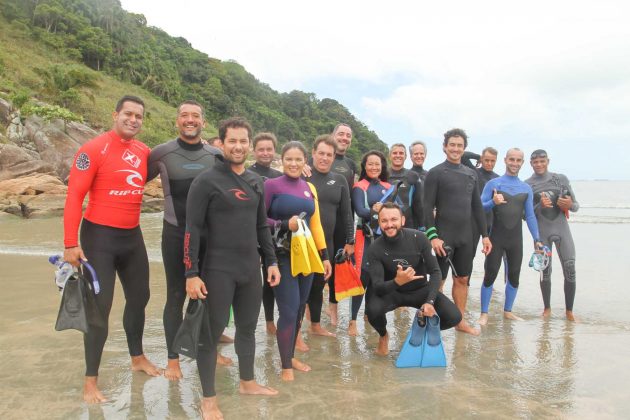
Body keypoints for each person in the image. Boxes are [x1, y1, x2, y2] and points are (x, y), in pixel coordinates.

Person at [63, 95, 160, 403]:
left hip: (132, 237)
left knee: (140, 297)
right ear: (115, 114)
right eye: (128, 114)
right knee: (100, 308)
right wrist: (69, 243)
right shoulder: (93, 149)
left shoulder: (144, 152)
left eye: (139, 116)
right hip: (99, 239)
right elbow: (75, 196)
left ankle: (137, 357)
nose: (133, 120)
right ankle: (90, 381)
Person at [184, 117, 280, 419]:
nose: (238, 146)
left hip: (250, 268)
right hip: (217, 269)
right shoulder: (206, 181)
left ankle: (247, 382)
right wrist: (191, 273)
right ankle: (209, 399)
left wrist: (272, 261)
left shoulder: (255, 181)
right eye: (232, 141)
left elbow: (261, 226)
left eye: (243, 141)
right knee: (211, 335)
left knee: (248, 329)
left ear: (249, 145)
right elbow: (192, 230)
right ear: (221, 143)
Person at [148, 100, 231, 381]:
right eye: (184, 115)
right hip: (175, 233)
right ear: (177, 121)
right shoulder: (161, 153)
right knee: (175, 297)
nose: (190, 120)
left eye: (195, 116)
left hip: (210, 236)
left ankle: (209, 349)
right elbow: (131, 182)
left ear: (203, 122)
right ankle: (173, 359)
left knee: (212, 295)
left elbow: (239, 181)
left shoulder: (216, 155)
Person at [265, 141, 332, 381]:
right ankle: (285, 368)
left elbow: (316, 225)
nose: (293, 164)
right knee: (289, 310)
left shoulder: (309, 188)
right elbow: (258, 220)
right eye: (289, 159)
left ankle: (289, 355)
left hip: (306, 255)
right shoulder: (271, 185)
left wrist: (324, 256)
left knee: (300, 307)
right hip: (281, 255)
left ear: (306, 162)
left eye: (298, 159)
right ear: (281, 161)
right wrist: (284, 224)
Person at [365, 203, 462, 355]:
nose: (389, 225)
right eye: (384, 221)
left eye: (393, 219)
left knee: (454, 317)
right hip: (393, 291)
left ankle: (419, 329)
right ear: (379, 223)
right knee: (372, 311)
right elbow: (377, 286)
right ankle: (384, 336)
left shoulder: (419, 238)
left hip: (420, 290)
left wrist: (429, 302)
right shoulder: (375, 249)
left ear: (402, 220)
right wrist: (397, 281)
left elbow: (436, 272)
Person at [423, 128, 492, 336]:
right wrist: (433, 236)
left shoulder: (471, 174)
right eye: (451, 144)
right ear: (445, 147)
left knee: (462, 279)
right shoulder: (436, 173)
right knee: (439, 279)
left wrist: (485, 235)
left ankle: (460, 321)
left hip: (466, 236)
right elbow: (426, 207)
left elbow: (477, 207)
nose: (455, 148)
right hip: (443, 236)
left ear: (464, 149)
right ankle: (432, 318)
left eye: (459, 145)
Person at [478, 148, 542, 325]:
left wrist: (537, 238)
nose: (514, 163)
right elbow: (479, 208)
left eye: (518, 160)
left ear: (522, 163)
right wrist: (493, 202)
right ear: (505, 160)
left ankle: (508, 311)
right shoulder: (494, 184)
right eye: (511, 159)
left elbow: (529, 216)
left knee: (514, 275)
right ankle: (484, 313)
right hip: (496, 238)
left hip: (515, 240)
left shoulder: (526, 188)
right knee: (490, 273)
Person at [304, 135, 354, 339]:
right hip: (302, 242)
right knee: (299, 287)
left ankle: (315, 326)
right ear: (313, 153)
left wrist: (350, 240)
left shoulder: (340, 180)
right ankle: (297, 330)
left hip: (327, 243)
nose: (324, 158)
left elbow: (347, 213)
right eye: (321, 153)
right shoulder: (302, 175)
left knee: (318, 286)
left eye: (329, 155)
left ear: (334, 157)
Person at [350, 150, 400, 336]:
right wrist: (375, 210)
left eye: (377, 164)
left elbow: (397, 210)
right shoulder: (359, 186)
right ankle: (352, 321)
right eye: (370, 164)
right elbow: (360, 211)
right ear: (364, 166)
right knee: (361, 279)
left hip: (384, 239)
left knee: (377, 279)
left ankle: (368, 316)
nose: (374, 167)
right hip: (365, 238)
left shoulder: (388, 186)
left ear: (382, 166)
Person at [526, 149, 579, 321]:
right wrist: (539, 205)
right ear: (530, 163)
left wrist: (569, 204)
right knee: (545, 271)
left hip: (562, 230)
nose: (539, 164)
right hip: (542, 233)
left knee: (570, 268)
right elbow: (524, 216)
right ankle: (547, 308)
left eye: (542, 161)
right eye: (536, 162)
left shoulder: (560, 179)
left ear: (548, 161)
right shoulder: (527, 185)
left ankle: (569, 311)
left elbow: (576, 206)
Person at [248, 132, 283, 334]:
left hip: (273, 236)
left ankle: (270, 321)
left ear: (274, 151)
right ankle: (248, 323)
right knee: (251, 282)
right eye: (261, 149)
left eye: (269, 149)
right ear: (254, 151)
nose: (265, 153)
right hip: (250, 235)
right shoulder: (246, 173)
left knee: (271, 279)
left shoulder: (279, 177)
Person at [388, 143, 424, 230]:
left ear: (406, 156)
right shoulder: (382, 175)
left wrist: (422, 226)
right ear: (390, 156)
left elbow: (418, 204)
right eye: (395, 153)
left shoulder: (412, 176)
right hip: (386, 225)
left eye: (401, 153)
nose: (398, 155)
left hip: (408, 225)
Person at [473, 147, 500, 253]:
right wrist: (478, 157)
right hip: (473, 221)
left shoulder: (498, 179)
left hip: (490, 221)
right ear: (482, 159)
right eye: (486, 160)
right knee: (469, 254)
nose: (489, 163)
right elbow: (464, 156)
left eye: (492, 161)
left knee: (490, 255)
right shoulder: (473, 173)